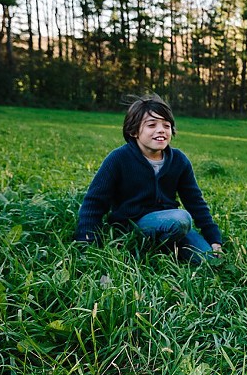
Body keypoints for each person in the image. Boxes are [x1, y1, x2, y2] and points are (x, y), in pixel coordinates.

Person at [74, 94, 222, 263]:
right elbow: (94, 203)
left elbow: (196, 202)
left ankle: (164, 247)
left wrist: (214, 238)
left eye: (166, 125)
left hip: (169, 222)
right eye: (152, 125)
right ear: (134, 131)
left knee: (209, 261)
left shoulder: (179, 161)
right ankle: (140, 248)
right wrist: (87, 243)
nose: (161, 130)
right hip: (133, 226)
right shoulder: (118, 159)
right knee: (181, 219)